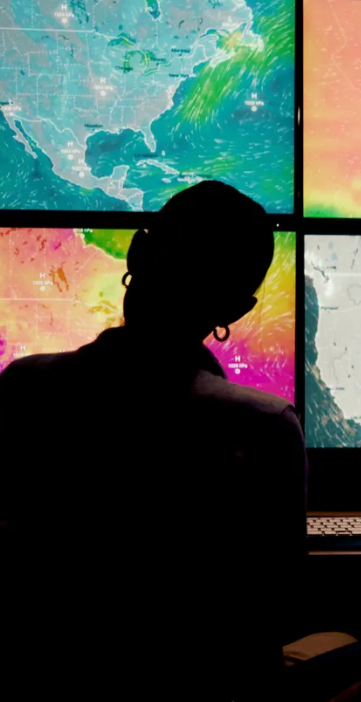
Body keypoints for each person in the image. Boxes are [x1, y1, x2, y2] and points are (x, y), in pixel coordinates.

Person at [0, 182, 307, 701]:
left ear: (138, 251)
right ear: (236, 308)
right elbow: (282, 609)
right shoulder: (263, 426)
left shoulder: (22, 386)